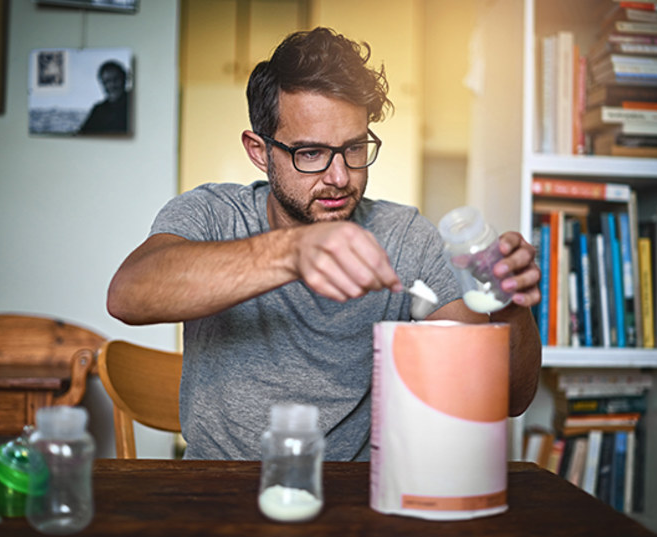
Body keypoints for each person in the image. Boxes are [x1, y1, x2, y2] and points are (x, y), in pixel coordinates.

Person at [107, 27, 542, 461]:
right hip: (219, 490)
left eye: (354, 148)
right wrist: (292, 251)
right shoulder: (213, 214)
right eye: (311, 153)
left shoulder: (406, 236)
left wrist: (507, 303)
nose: (339, 176)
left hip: (353, 498)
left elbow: (506, 399)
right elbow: (128, 295)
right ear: (259, 151)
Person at [79, 60, 129, 134]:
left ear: (125, 79)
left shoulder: (136, 103)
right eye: (107, 81)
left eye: (116, 79)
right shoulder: (98, 110)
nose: (112, 85)